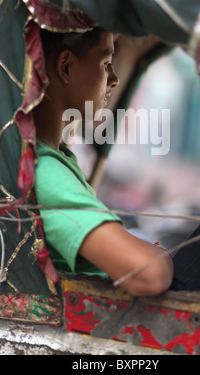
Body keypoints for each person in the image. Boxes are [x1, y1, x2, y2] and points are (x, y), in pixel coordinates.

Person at [33, 26, 173, 297]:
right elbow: (149, 275)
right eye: (106, 63)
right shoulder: (46, 171)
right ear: (65, 67)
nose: (114, 79)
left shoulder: (59, 158)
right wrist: (161, 254)